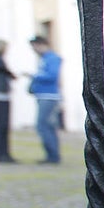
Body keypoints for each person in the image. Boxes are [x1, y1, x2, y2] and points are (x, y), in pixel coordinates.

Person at [27, 36, 62, 164]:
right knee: (47, 125)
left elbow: (52, 76)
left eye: (34, 47)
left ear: (41, 44)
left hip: (49, 96)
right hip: (43, 95)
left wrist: (34, 76)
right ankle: (52, 154)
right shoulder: (44, 59)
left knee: (43, 125)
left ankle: (52, 155)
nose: (34, 50)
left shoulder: (52, 58)